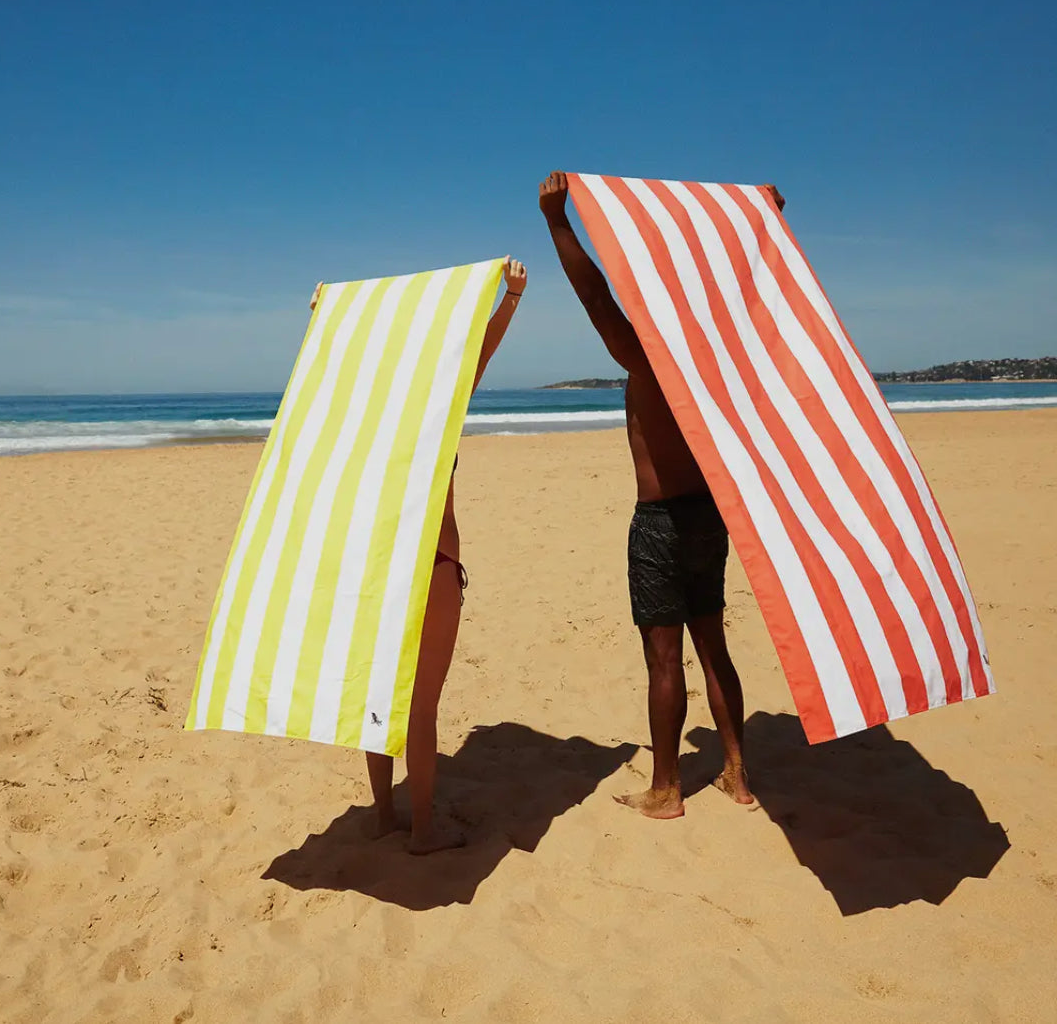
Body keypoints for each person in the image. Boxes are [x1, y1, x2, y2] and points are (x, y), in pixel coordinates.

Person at [538, 171, 783, 819]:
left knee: (664, 659)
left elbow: (594, 296)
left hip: (659, 523)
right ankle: (737, 775)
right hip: (712, 516)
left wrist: (558, 221)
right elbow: (752, 294)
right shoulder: (720, 358)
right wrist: (766, 229)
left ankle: (667, 788)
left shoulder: (648, 359)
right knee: (714, 643)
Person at [310, 257, 528, 852]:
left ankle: (384, 813)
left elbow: (324, 381)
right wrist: (508, 298)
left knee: (377, 696)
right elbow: (475, 360)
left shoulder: (356, 418)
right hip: (430, 566)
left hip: (372, 565)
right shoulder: (435, 410)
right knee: (422, 706)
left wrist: (325, 324)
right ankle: (425, 830)